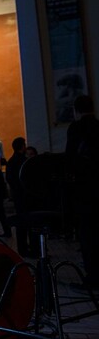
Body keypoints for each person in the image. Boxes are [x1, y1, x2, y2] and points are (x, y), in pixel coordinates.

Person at [65, 95, 99, 288]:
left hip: (84, 191)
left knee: (87, 235)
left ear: (76, 110)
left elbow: (70, 160)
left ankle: (93, 277)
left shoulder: (76, 128)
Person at [6, 136, 31, 256]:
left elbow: (9, 178)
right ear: (22, 146)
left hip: (17, 196)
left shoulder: (11, 161)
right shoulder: (24, 161)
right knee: (29, 222)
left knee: (21, 224)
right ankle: (31, 248)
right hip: (26, 196)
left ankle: (22, 248)